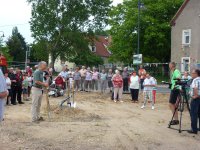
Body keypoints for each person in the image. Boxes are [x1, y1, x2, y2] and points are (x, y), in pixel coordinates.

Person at [188, 69, 200, 134]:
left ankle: (194, 129)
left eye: (193, 73)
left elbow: (195, 88)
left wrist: (195, 95)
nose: (192, 74)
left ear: (196, 74)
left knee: (193, 114)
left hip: (196, 99)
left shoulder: (195, 80)